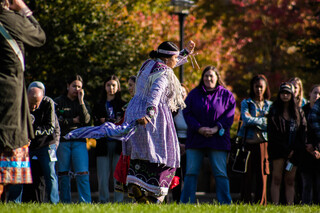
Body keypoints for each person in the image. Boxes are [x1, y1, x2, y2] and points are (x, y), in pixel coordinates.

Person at [122, 40, 195, 203]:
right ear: (168, 59)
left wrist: (186, 52)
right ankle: (154, 196)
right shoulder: (164, 74)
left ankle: (138, 186)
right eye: (175, 58)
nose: (177, 61)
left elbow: (172, 61)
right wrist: (149, 115)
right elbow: (155, 95)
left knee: (142, 152)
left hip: (134, 112)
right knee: (166, 154)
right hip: (152, 116)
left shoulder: (148, 64)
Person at [0, 0, 45, 198]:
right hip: (8, 102)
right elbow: (39, 37)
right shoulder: (10, 19)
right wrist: (24, 9)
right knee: (5, 164)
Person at [180, 66, 235, 204]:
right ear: (202, 78)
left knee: (220, 173)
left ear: (217, 78)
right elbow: (187, 113)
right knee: (191, 173)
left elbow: (229, 116)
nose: (209, 78)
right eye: (206, 76)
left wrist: (216, 128)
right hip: (196, 138)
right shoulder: (194, 94)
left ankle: (225, 203)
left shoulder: (227, 95)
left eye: (211, 76)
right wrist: (199, 128)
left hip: (218, 139)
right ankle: (186, 203)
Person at [267, 82, 307, 205]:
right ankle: (275, 205)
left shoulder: (298, 112)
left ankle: (290, 205)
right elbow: (272, 133)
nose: (285, 96)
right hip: (278, 150)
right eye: (283, 93)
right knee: (277, 178)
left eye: (287, 93)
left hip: (295, 151)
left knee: (290, 180)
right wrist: (284, 149)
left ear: (292, 95)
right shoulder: (274, 111)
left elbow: (303, 131)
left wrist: (294, 149)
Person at [55, 74, 92, 203]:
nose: (77, 89)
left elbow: (87, 121)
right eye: (74, 86)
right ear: (67, 86)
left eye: (79, 87)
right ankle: (65, 202)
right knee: (63, 174)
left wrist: (81, 102)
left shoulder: (83, 103)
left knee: (83, 174)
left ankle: (86, 203)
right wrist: (73, 120)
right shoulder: (58, 102)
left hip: (79, 143)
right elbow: (56, 122)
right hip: (63, 142)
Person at [237, 75, 272, 205]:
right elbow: (246, 119)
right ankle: (245, 203)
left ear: (265, 88)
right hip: (248, 144)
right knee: (247, 175)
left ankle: (261, 204)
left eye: (261, 87)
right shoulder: (246, 103)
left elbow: (271, 124)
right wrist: (263, 120)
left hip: (263, 144)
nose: (258, 89)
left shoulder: (270, 105)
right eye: (256, 86)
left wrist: (254, 120)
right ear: (252, 87)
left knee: (262, 175)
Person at [93, 75, 126, 203]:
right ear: (104, 87)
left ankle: (119, 202)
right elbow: (96, 123)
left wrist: (106, 121)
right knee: (102, 176)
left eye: (114, 85)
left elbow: (123, 123)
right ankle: (103, 201)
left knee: (118, 176)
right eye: (108, 85)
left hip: (118, 145)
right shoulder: (98, 104)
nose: (111, 88)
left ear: (118, 87)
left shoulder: (123, 105)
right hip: (102, 144)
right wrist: (112, 121)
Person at [300, 84, 320, 204]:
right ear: (309, 94)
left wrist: (317, 148)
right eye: (314, 92)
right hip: (305, 150)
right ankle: (305, 205)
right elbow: (301, 130)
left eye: (319, 93)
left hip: (318, 150)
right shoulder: (303, 110)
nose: (317, 96)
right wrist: (307, 145)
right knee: (306, 183)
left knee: (318, 183)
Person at [171, 83, 189, 203]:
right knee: (176, 175)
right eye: (179, 91)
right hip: (175, 143)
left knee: (188, 173)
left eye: (183, 91)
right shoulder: (172, 110)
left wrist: (186, 145)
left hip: (189, 144)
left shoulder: (192, 110)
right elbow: (170, 129)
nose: (181, 93)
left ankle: (187, 199)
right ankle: (176, 200)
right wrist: (178, 144)